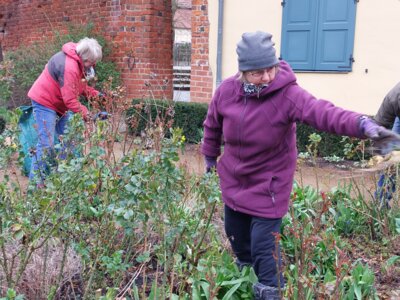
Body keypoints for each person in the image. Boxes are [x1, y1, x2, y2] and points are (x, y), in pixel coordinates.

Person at [201, 31, 400, 299]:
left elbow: (326, 113)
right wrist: (210, 157)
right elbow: (212, 126)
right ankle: (244, 283)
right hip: (235, 183)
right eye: (258, 73)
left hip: (269, 186)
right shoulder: (226, 92)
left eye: (271, 68)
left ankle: (271, 291)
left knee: (264, 249)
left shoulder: (288, 94)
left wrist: (365, 125)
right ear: (243, 72)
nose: (267, 77)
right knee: (238, 240)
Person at [27, 37, 102, 186]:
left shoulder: (79, 62)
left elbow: (79, 88)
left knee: (70, 139)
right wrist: (87, 114)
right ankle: (35, 187)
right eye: (91, 62)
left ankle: (61, 179)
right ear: (84, 57)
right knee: (46, 144)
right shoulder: (70, 67)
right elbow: (70, 100)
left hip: (59, 104)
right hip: (44, 102)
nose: (92, 66)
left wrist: (98, 95)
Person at [373, 83, 400, 205]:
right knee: (392, 160)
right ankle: (381, 203)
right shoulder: (393, 97)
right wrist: (378, 154)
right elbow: (378, 125)